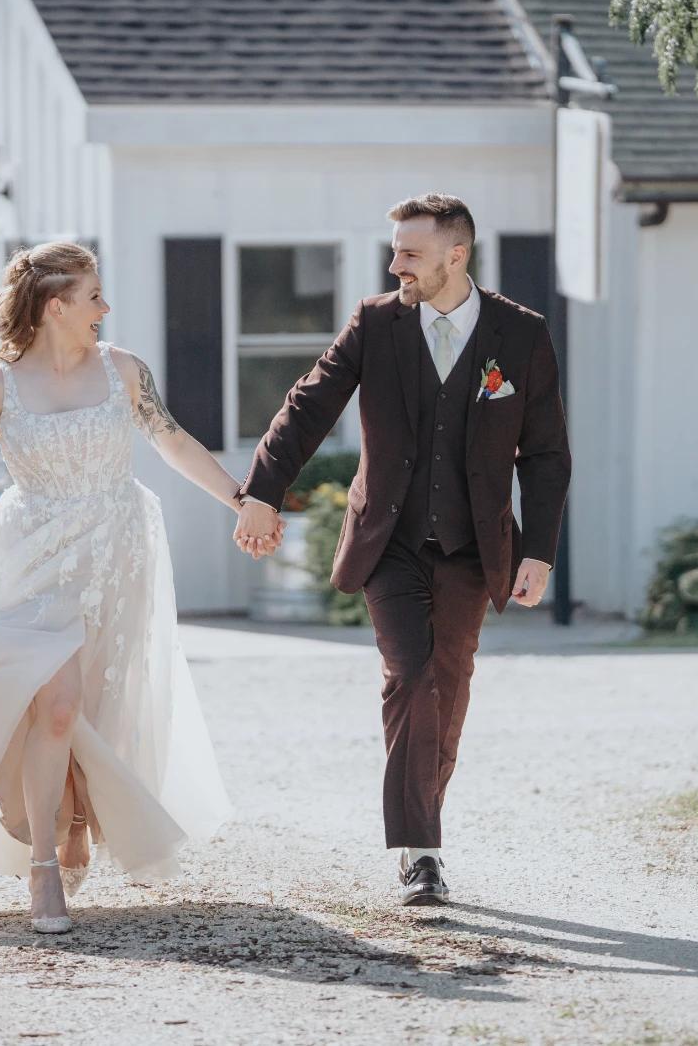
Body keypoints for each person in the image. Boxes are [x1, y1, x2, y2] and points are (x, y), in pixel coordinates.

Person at [0, 242, 261, 932]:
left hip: (116, 555)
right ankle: (44, 870)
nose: (104, 310)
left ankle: (77, 811)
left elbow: (174, 444)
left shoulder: (124, 371)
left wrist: (244, 500)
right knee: (52, 706)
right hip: (28, 560)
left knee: (94, 703)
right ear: (56, 306)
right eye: (93, 298)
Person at [233, 194, 571, 906]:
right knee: (410, 676)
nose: (396, 266)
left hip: (473, 549)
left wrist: (538, 549)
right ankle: (422, 853)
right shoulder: (375, 323)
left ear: (457, 256)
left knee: (447, 690)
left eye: (410, 253)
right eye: (394, 252)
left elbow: (544, 453)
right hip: (388, 540)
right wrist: (263, 489)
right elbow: (309, 404)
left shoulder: (521, 334)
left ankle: (424, 829)